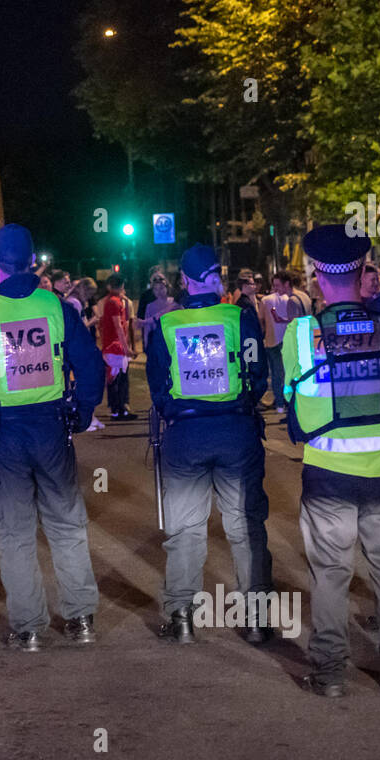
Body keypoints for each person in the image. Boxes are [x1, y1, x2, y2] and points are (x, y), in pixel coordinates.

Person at [282, 224, 380, 696]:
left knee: (329, 574)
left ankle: (329, 674)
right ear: (364, 268)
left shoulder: (301, 335)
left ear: (315, 275)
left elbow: (292, 400)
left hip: (327, 474)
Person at [0, 224, 105, 650]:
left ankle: (30, 627)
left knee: (15, 531)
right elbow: (89, 365)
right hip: (52, 426)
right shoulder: (56, 306)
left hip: (4, 432)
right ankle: (82, 618)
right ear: (33, 259)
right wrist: (82, 412)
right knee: (67, 523)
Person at [146, 244, 272, 644]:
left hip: (186, 435)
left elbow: (157, 384)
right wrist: (240, 404)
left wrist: (177, 411)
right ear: (217, 276)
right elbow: (258, 373)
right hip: (236, 430)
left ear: (184, 280)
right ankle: (255, 619)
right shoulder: (239, 316)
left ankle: (182, 617)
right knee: (245, 526)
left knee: (185, 529)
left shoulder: (168, 324)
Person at [259, 270, 299, 413]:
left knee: (276, 374)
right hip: (287, 340)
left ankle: (280, 405)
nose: (276, 287)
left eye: (277, 284)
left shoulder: (265, 300)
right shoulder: (291, 299)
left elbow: (261, 320)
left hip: (272, 341)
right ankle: (290, 402)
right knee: (290, 372)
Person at [99, 274, 136, 420]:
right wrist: (127, 348)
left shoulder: (109, 301)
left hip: (110, 345)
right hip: (116, 346)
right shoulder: (116, 303)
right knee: (120, 379)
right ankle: (121, 410)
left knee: (114, 378)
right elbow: (119, 326)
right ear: (121, 286)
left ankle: (116, 410)